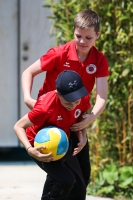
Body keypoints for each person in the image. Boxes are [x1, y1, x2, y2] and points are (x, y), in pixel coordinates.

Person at [22, 9, 109, 190]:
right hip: (51, 117)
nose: (82, 41)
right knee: (64, 176)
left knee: (83, 174)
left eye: (88, 37)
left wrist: (91, 117)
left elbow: (102, 96)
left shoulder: (99, 60)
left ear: (97, 35)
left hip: (76, 116)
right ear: (73, 32)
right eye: (79, 36)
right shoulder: (59, 53)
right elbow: (28, 72)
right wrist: (27, 98)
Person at [14, 70, 90, 200]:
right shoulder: (44, 108)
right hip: (41, 146)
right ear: (57, 94)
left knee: (79, 182)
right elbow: (18, 126)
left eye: (76, 102)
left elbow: (81, 116)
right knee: (66, 180)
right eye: (68, 103)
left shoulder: (81, 98)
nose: (73, 106)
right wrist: (30, 149)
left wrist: (83, 135)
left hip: (62, 141)